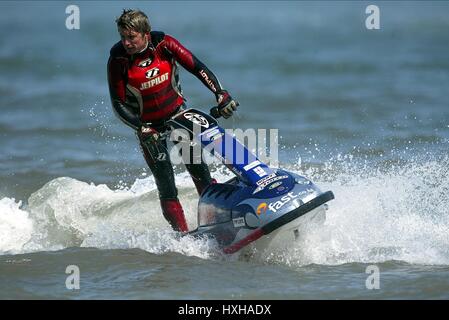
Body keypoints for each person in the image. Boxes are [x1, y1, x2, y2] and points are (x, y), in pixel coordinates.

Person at [107, 9, 238, 232]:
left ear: (145, 33)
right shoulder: (118, 60)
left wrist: (220, 93)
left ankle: (216, 224)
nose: (126, 42)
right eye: (123, 37)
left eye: (132, 37)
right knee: (166, 185)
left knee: (200, 171)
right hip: (149, 129)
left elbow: (197, 67)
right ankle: (183, 236)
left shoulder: (164, 44)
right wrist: (141, 127)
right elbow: (118, 104)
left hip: (178, 117)